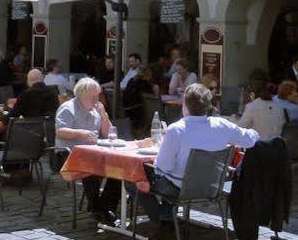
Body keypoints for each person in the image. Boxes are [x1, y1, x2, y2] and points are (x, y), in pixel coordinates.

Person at [135, 83, 259, 229]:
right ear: (208, 106)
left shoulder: (176, 130)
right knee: (168, 176)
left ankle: (162, 219)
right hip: (213, 187)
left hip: (181, 188)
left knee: (133, 179)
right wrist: (256, 132)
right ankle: (167, 216)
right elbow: (251, 139)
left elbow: (162, 168)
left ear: (185, 105)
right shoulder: (222, 125)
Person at [55, 77, 120, 223]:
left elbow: (109, 133)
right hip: (67, 154)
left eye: (98, 95)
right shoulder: (68, 108)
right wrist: (80, 133)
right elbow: (60, 131)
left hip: (93, 154)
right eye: (94, 96)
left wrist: (104, 115)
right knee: (89, 167)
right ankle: (97, 208)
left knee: (119, 167)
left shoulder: (96, 109)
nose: (97, 99)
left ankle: (106, 206)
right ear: (83, 95)